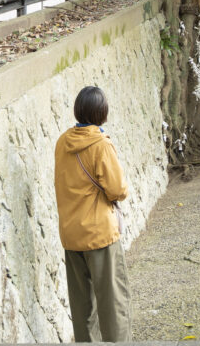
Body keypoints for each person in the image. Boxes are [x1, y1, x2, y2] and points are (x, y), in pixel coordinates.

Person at [54, 86, 131, 341]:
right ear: (102, 113)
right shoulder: (100, 144)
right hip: (99, 235)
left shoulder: (63, 142)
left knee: (82, 309)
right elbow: (117, 189)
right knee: (112, 305)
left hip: (71, 234)